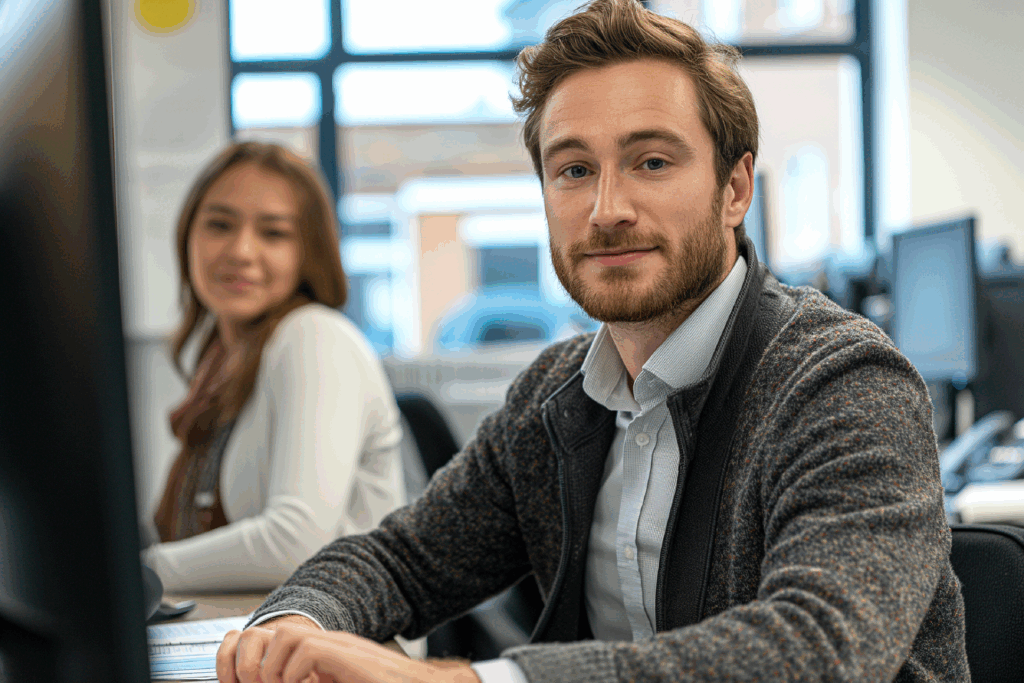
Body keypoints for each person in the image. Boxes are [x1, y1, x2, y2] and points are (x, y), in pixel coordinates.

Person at [216, 2, 969, 681]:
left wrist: (477, 682)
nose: (607, 209)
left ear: (735, 189)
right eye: (574, 169)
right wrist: (292, 625)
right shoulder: (554, 396)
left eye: (651, 162)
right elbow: (403, 559)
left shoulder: (843, 382)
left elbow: (820, 649)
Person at [142, 141, 404, 592]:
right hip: (256, 633)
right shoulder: (220, 361)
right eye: (220, 225)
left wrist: (137, 574)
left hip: (347, 646)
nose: (241, 251)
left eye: (274, 233)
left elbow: (296, 543)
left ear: (309, 252)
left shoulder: (315, 337)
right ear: (188, 235)